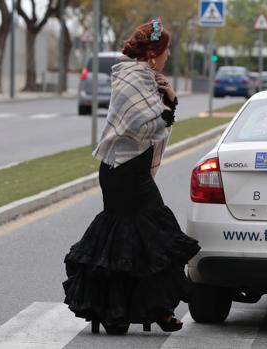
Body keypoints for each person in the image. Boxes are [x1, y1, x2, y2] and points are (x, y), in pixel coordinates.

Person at [62, 18, 200, 334]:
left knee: (139, 240)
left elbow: (155, 126)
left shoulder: (148, 78)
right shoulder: (132, 78)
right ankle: (143, 310)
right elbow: (140, 124)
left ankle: (130, 311)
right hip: (122, 171)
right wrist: (170, 105)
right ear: (154, 53)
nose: (168, 57)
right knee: (157, 233)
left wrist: (169, 100)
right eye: (166, 51)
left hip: (132, 168)